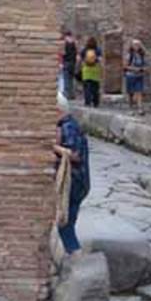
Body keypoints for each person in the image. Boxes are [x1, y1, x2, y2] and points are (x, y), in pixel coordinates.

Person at [53, 92, 91, 254]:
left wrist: (53, 147)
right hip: (79, 182)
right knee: (67, 222)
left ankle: (75, 254)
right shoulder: (67, 125)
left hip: (74, 182)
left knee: (64, 223)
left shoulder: (68, 127)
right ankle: (73, 253)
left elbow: (74, 154)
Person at [125, 38, 146, 114]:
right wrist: (135, 69)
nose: (137, 46)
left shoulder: (141, 55)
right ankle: (130, 108)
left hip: (139, 76)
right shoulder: (129, 55)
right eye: (135, 45)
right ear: (132, 46)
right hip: (130, 76)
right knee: (131, 93)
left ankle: (140, 108)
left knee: (139, 92)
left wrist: (143, 69)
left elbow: (144, 63)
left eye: (138, 45)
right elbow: (125, 66)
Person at [80, 36, 102, 108]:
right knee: (95, 87)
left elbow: (80, 58)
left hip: (86, 69)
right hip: (95, 69)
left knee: (86, 87)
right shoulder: (98, 49)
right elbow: (100, 59)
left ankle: (87, 102)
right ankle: (96, 102)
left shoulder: (84, 49)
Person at [62, 31, 78, 100]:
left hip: (66, 62)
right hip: (73, 63)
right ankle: (72, 94)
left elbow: (63, 53)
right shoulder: (74, 43)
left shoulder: (65, 43)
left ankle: (66, 94)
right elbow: (76, 53)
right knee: (71, 79)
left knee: (66, 79)